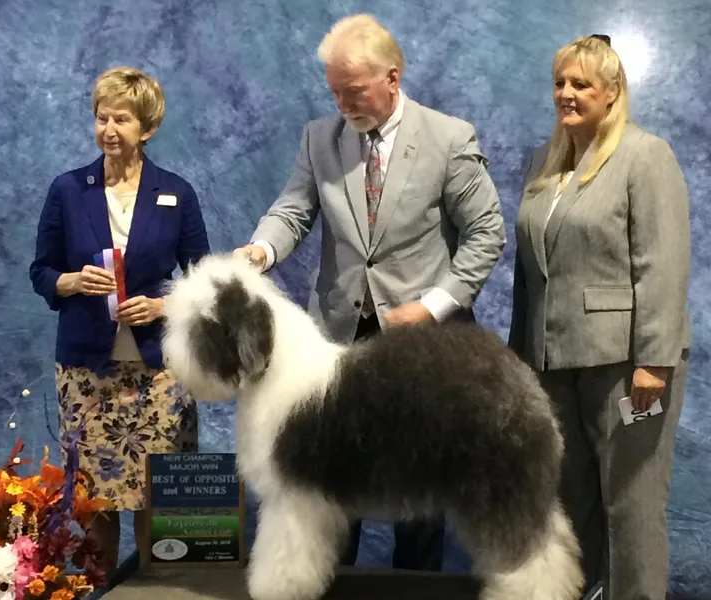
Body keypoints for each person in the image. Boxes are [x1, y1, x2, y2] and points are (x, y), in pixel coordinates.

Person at [235, 14, 506, 571]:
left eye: (353, 91)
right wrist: (261, 251)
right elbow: (293, 210)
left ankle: (415, 583)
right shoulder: (320, 138)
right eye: (334, 91)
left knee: (423, 479)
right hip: (337, 343)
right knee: (331, 477)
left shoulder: (449, 138)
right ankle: (330, 578)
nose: (342, 103)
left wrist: (432, 306)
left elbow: (487, 233)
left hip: (426, 344)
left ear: (392, 77)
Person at [509, 36, 691, 600]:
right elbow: (530, 272)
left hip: (629, 368)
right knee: (569, 499)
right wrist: (520, 361)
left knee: (631, 504)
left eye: (580, 84)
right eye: (560, 83)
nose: (566, 93)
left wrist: (654, 362)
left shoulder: (647, 155)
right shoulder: (544, 159)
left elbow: (662, 263)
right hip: (552, 365)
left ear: (612, 93)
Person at [29, 66, 210, 578]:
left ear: (146, 128)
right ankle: (98, 588)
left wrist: (162, 306)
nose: (108, 129)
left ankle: (164, 590)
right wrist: (70, 282)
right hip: (88, 372)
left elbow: (205, 281)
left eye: (121, 119)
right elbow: (41, 271)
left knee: (159, 496)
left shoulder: (177, 192)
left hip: (160, 373)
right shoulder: (67, 190)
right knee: (94, 505)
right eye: (101, 117)